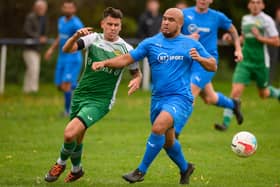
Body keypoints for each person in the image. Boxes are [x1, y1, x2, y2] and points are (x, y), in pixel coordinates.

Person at [92, 8, 216, 185]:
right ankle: (185, 168)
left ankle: (140, 171)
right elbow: (126, 59)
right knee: (168, 142)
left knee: (158, 128)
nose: (165, 22)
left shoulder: (190, 44)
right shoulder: (150, 43)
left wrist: (201, 60)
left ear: (180, 24)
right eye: (164, 19)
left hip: (180, 99)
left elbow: (213, 65)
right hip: (158, 99)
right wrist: (105, 62)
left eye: (171, 20)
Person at [44, 7, 142, 183]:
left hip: (101, 101)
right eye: (110, 24)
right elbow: (67, 50)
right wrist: (75, 36)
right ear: (102, 24)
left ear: (120, 27)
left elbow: (136, 72)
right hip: (81, 94)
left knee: (69, 133)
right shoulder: (92, 38)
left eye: (116, 25)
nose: (113, 28)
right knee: (77, 136)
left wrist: (137, 79)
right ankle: (76, 169)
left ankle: (60, 163)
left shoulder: (126, 49)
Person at [180, 0, 243, 135]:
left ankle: (175, 133)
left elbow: (232, 29)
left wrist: (238, 49)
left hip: (207, 61)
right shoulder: (184, 14)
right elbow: (173, 34)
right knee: (210, 98)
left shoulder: (216, 16)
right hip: (189, 60)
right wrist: (188, 37)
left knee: (190, 93)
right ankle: (233, 104)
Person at [215, 0, 280, 131]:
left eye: (258, 2)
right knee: (235, 92)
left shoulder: (267, 20)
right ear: (249, 5)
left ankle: (277, 93)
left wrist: (260, 38)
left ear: (262, 5)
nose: (255, 5)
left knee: (264, 93)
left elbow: (276, 41)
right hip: (245, 61)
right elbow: (243, 38)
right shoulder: (245, 19)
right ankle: (225, 124)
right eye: (252, 2)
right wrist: (232, 39)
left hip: (261, 63)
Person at [44, 0, 84, 116]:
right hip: (62, 57)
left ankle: (68, 111)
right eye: (65, 7)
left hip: (72, 58)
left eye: (70, 8)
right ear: (62, 9)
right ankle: (87, 88)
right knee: (60, 85)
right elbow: (60, 37)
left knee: (66, 86)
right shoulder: (61, 20)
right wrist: (51, 49)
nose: (68, 10)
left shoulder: (77, 24)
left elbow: (83, 40)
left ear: (74, 10)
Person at [23, 0, 48, 93]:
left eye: (43, 8)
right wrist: (38, 38)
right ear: (35, 8)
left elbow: (44, 33)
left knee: (32, 70)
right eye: (40, 8)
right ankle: (33, 90)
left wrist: (44, 38)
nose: (42, 10)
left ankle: (27, 90)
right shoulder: (31, 17)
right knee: (33, 69)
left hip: (37, 48)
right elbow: (26, 31)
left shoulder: (44, 18)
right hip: (29, 48)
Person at [268, 7, 280, 83]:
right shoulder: (272, 23)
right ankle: (268, 83)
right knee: (270, 65)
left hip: (276, 47)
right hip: (272, 48)